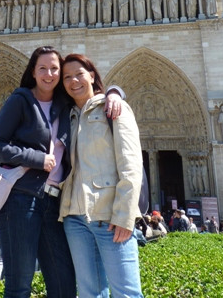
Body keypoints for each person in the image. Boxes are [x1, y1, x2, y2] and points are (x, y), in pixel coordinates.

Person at [0, 46, 123, 298]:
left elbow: (88, 89)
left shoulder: (64, 103)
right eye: (42, 68)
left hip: (55, 203)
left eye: (54, 69)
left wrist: (115, 93)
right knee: (19, 283)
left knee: (63, 283)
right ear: (33, 72)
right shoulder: (20, 100)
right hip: (20, 198)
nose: (49, 74)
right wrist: (37, 159)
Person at [59, 53, 144, 298]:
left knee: (126, 294)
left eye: (79, 74)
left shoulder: (113, 107)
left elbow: (131, 163)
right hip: (74, 219)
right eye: (67, 77)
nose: (73, 81)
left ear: (92, 76)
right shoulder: (68, 116)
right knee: (89, 294)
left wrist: (125, 215)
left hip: (109, 217)